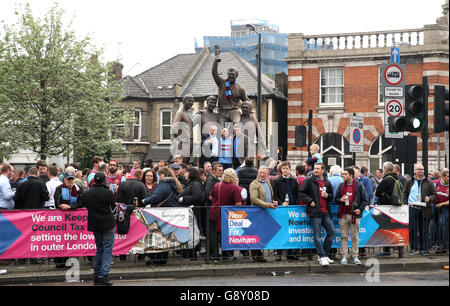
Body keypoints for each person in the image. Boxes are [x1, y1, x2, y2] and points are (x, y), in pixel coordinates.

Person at [60, 172, 115, 285]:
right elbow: (113, 206)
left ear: (94, 180)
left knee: (99, 248)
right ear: (104, 181)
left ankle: (97, 275)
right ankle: (104, 276)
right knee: (107, 249)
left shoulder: (88, 193)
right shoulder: (108, 192)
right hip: (107, 223)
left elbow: (80, 204)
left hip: (95, 223)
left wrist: (69, 206)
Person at [143, 167, 183, 265]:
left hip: (161, 214)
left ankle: (156, 259)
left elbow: (156, 197)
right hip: (170, 213)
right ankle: (163, 259)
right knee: (165, 237)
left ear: (163, 175)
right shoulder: (173, 184)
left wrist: (145, 200)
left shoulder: (164, 184)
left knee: (157, 237)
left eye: (159, 174)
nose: (158, 176)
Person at [298, 163, 335, 266]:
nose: (315, 170)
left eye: (318, 169)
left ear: (323, 170)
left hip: (325, 211)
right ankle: (322, 256)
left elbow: (331, 196)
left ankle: (324, 254)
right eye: (315, 168)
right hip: (315, 211)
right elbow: (301, 193)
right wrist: (309, 201)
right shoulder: (309, 180)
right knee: (317, 234)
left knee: (331, 232)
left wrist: (327, 195)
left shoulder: (327, 182)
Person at [335, 167, 368, 265]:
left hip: (355, 215)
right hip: (343, 214)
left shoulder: (359, 185)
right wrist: (340, 200)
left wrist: (360, 209)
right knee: (343, 236)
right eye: (343, 174)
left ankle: (355, 256)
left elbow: (364, 200)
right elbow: (336, 198)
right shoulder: (341, 186)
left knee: (355, 237)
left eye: (345, 174)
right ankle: (344, 256)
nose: (343, 176)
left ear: (351, 175)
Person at [209, 168, 243, 260]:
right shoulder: (234, 187)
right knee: (227, 235)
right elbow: (238, 203)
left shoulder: (217, 185)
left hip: (215, 213)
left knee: (214, 235)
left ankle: (215, 255)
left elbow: (210, 197)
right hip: (227, 215)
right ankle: (227, 254)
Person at [404, 164, 437, 256]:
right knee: (413, 229)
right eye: (418, 169)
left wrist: (429, 198)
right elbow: (405, 193)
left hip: (424, 208)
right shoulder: (409, 181)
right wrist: (406, 203)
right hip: (412, 208)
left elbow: (435, 194)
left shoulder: (428, 181)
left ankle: (424, 249)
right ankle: (414, 248)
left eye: (422, 169)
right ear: (415, 170)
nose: (420, 171)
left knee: (424, 229)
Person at [54, 170, 84, 268]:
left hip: (74, 220)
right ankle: (59, 262)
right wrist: (64, 206)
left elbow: (81, 202)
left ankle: (70, 260)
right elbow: (58, 201)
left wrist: (69, 207)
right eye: (68, 179)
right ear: (65, 180)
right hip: (61, 219)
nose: (70, 181)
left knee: (71, 240)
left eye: (72, 179)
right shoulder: (59, 189)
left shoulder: (79, 190)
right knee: (60, 240)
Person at [249, 166, 278, 262]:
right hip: (257, 212)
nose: (262, 174)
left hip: (266, 212)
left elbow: (269, 196)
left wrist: (273, 202)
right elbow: (254, 199)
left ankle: (258, 253)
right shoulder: (254, 184)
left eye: (264, 173)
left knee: (263, 234)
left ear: (267, 174)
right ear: (258, 173)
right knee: (257, 233)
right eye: (260, 172)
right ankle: (257, 254)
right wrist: (268, 205)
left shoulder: (268, 182)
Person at [212, 49, 248, 124]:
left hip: (234, 111)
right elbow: (214, 73)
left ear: (236, 75)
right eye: (230, 74)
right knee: (221, 130)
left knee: (237, 126)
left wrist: (250, 112)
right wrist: (216, 58)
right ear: (227, 74)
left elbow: (246, 101)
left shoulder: (240, 88)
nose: (231, 76)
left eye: (233, 74)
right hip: (222, 112)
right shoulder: (222, 83)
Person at [272, 161, 300, 261]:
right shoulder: (276, 181)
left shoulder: (294, 180)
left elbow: (297, 194)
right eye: (283, 168)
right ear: (281, 170)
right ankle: (279, 253)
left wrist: (296, 205)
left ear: (289, 169)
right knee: (280, 231)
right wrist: (281, 203)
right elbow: (274, 195)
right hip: (281, 209)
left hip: (292, 209)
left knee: (291, 232)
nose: (285, 170)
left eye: (287, 168)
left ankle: (289, 253)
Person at [433, 168, 449, 253]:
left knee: (442, 223)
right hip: (435, 207)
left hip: (445, 208)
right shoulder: (435, 183)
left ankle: (443, 245)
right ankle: (439, 244)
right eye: (448, 176)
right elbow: (431, 193)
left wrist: (442, 204)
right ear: (442, 177)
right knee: (437, 226)